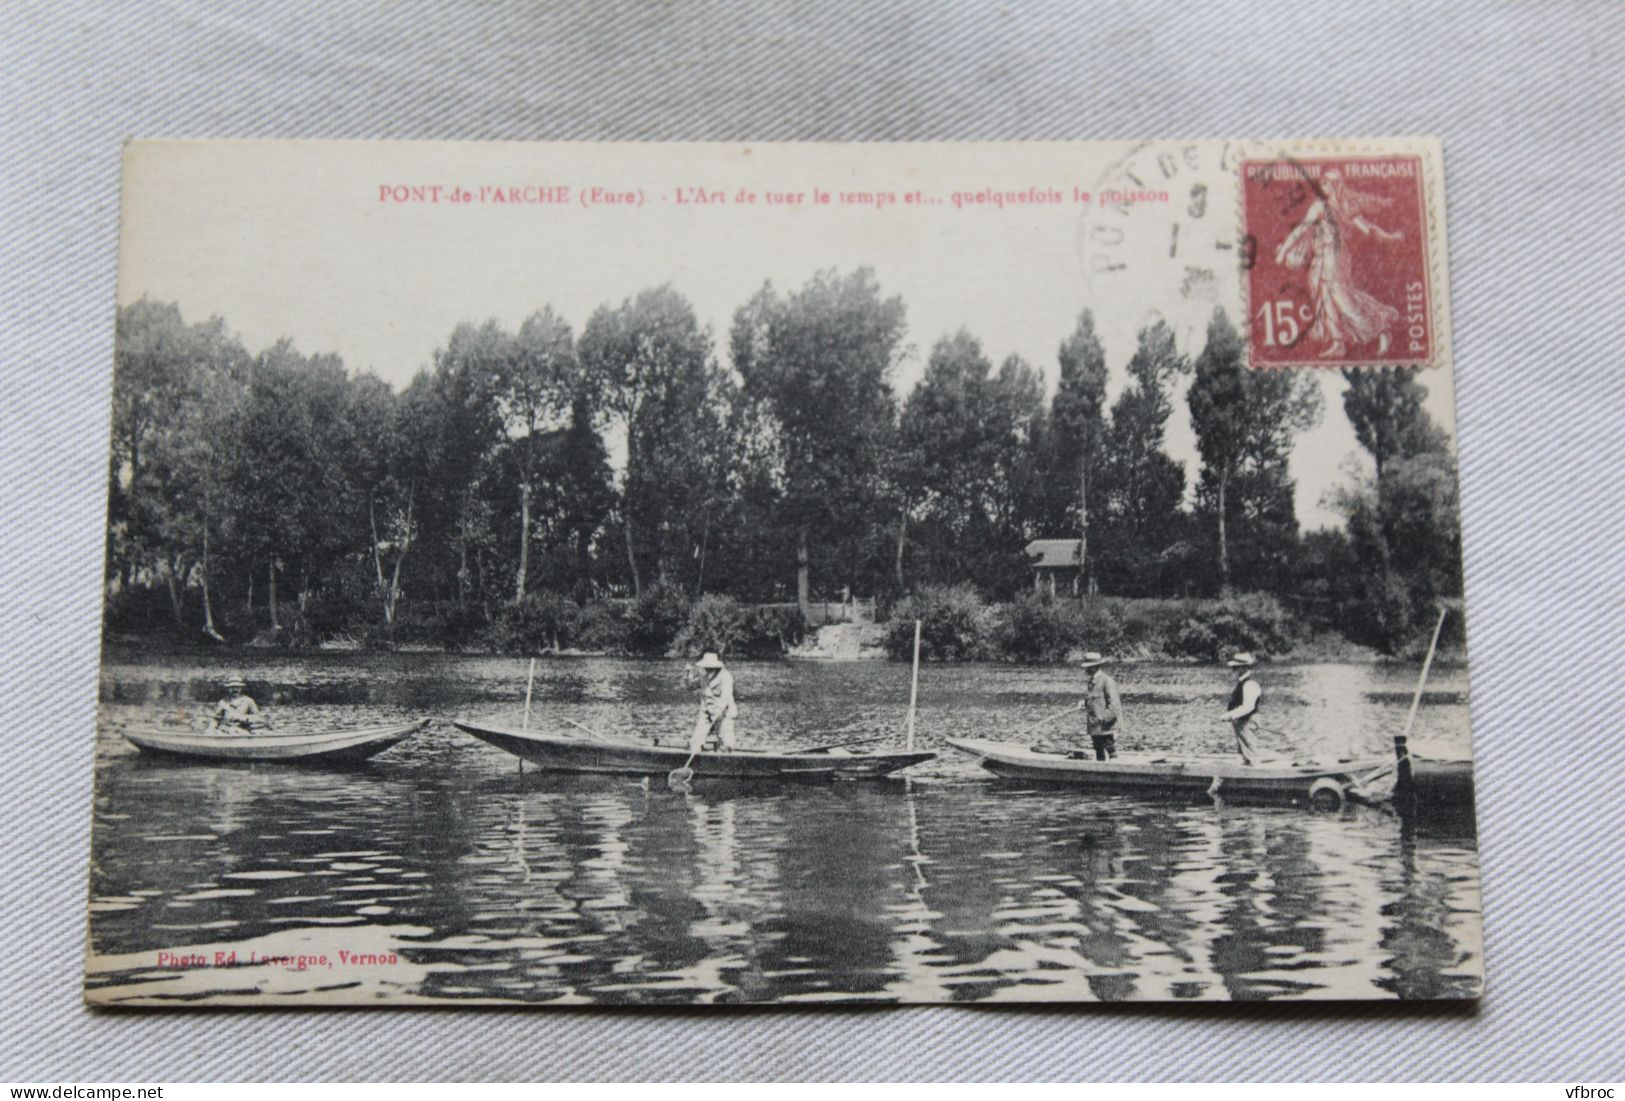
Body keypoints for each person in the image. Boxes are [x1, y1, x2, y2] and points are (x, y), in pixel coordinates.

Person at [1273, 167, 1406, 359]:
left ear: (1336, 185)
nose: (1323, 185)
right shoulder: (1319, 206)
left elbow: (1368, 229)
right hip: (1321, 257)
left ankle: (1379, 329)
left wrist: (1390, 237)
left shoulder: (1342, 207)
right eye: (1323, 182)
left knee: (1343, 299)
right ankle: (1338, 343)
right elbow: (1301, 229)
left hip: (1336, 256)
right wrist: (1284, 250)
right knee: (1325, 298)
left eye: (1327, 183)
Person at [1075, 651, 1123, 760]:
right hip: (1095, 725)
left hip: (1106, 726)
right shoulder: (1091, 682)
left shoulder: (1107, 681)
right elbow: (1093, 698)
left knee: (1110, 748)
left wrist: (1104, 719)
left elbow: (1114, 705)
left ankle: (1115, 771)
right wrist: (1084, 702)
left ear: (1096, 666)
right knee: (1098, 748)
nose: (1086, 670)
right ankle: (1100, 771)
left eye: (1089, 667)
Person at [688, 652, 737, 755]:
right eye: (706, 668)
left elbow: (725, 697)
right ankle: (697, 757)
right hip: (706, 714)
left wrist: (717, 712)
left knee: (726, 744)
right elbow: (690, 687)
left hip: (724, 714)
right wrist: (688, 674)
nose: (708, 670)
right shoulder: (703, 677)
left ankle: (725, 755)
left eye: (710, 668)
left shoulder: (725, 676)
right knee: (695, 743)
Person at [1222, 652, 1262, 764]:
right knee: (1244, 753)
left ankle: (1255, 774)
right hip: (1242, 722)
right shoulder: (1242, 683)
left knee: (1250, 753)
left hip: (1248, 722)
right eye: (1233, 668)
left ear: (1244, 668)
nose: (1233, 671)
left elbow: (1248, 707)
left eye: (1235, 668)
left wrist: (1230, 715)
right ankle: (1245, 769)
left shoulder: (1250, 684)